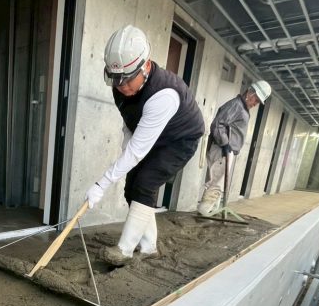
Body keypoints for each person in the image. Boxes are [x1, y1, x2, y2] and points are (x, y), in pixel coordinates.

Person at [85, 25, 205, 266]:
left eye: (127, 80)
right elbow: (130, 126)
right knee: (132, 188)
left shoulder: (164, 95)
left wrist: (102, 183)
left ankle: (124, 250)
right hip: (153, 133)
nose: (121, 86)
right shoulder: (121, 85)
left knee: (146, 182)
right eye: (115, 80)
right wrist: (124, 163)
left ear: (146, 66)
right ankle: (149, 247)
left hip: (180, 139)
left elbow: (138, 150)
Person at [197, 81, 271, 216]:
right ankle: (203, 213)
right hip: (222, 149)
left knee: (218, 185)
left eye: (259, 101)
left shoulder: (242, 108)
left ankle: (212, 212)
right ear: (249, 93)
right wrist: (225, 144)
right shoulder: (236, 105)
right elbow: (217, 124)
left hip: (227, 150)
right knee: (215, 184)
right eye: (256, 99)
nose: (256, 103)